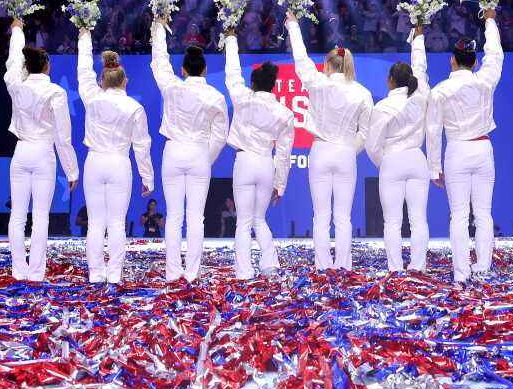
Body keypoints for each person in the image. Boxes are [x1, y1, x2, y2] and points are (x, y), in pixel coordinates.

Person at [285, 14, 374, 271]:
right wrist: (350, 149)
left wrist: (292, 25)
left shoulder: (318, 83)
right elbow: (365, 133)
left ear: (327, 64)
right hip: (346, 152)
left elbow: (300, 59)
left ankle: (323, 266)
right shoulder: (363, 93)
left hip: (321, 150)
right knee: (344, 217)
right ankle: (344, 266)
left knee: (321, 216)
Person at [426, 8, 504, 284]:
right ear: (473, 62)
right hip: (483, 150)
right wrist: (490, 20)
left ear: (452, 62)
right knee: (483, 213)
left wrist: (433, 167)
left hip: (457, 151)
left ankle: (462, 273)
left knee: (458, 215)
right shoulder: (484, 81)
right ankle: (482, 269)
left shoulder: (440, 91)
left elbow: (433, 131)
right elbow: (495, 55)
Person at [150, 19, 229, 282]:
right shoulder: (215, 97)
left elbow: (159, 63)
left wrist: (159, 28)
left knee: (173, 216)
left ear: (183, 70)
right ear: (205, 70)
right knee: (196, 216)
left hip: (173, 152)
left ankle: (173, 273)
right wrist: (206, 157)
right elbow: (220, 135)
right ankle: (192, 273)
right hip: (198, 154)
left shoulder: (173, 87)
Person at [4, 17, 80, 281]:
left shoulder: (17, 85)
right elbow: (63, 137)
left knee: (17, 215)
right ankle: (35, 272)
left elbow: (13, 61)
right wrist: (72, 170)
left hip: (21, 151)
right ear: (47, 66)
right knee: (40, 216)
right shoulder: (56, 93)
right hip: (44, 153)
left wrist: (17, 30)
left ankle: (18, 270)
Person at [77, 26, 154, 284]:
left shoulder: (92, 98)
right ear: (123, 80)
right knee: (117, 223)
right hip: (119, 162)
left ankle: (95, 275)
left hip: (95, 162)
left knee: (96, 223)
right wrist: (148, 178)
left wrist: (84, 36)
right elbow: (142, 145)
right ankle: (114, 275)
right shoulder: (134, 107)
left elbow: (83, 73)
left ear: (103, 80)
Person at [223, 31, 295, 280]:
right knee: (259, 219)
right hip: (266, 163)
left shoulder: (244, 98)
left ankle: (244, 272)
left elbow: (232, 74)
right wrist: (280, 184)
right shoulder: (284, 113)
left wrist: (232, 38)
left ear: (253, 84)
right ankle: (269, 265)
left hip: (244, 162)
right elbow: (284, 152)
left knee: (243, 221)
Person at [366, 23, 431, 272]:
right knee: (418, 219)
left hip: (392, 161)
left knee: (392, 222)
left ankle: (396, 269)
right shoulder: (421, 94)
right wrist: (418, 37)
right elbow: (421, 69)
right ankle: (418, 267)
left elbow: (373, 145)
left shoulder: (382, 106)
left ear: (391, 80)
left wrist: (385, 163)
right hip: (416, 159)